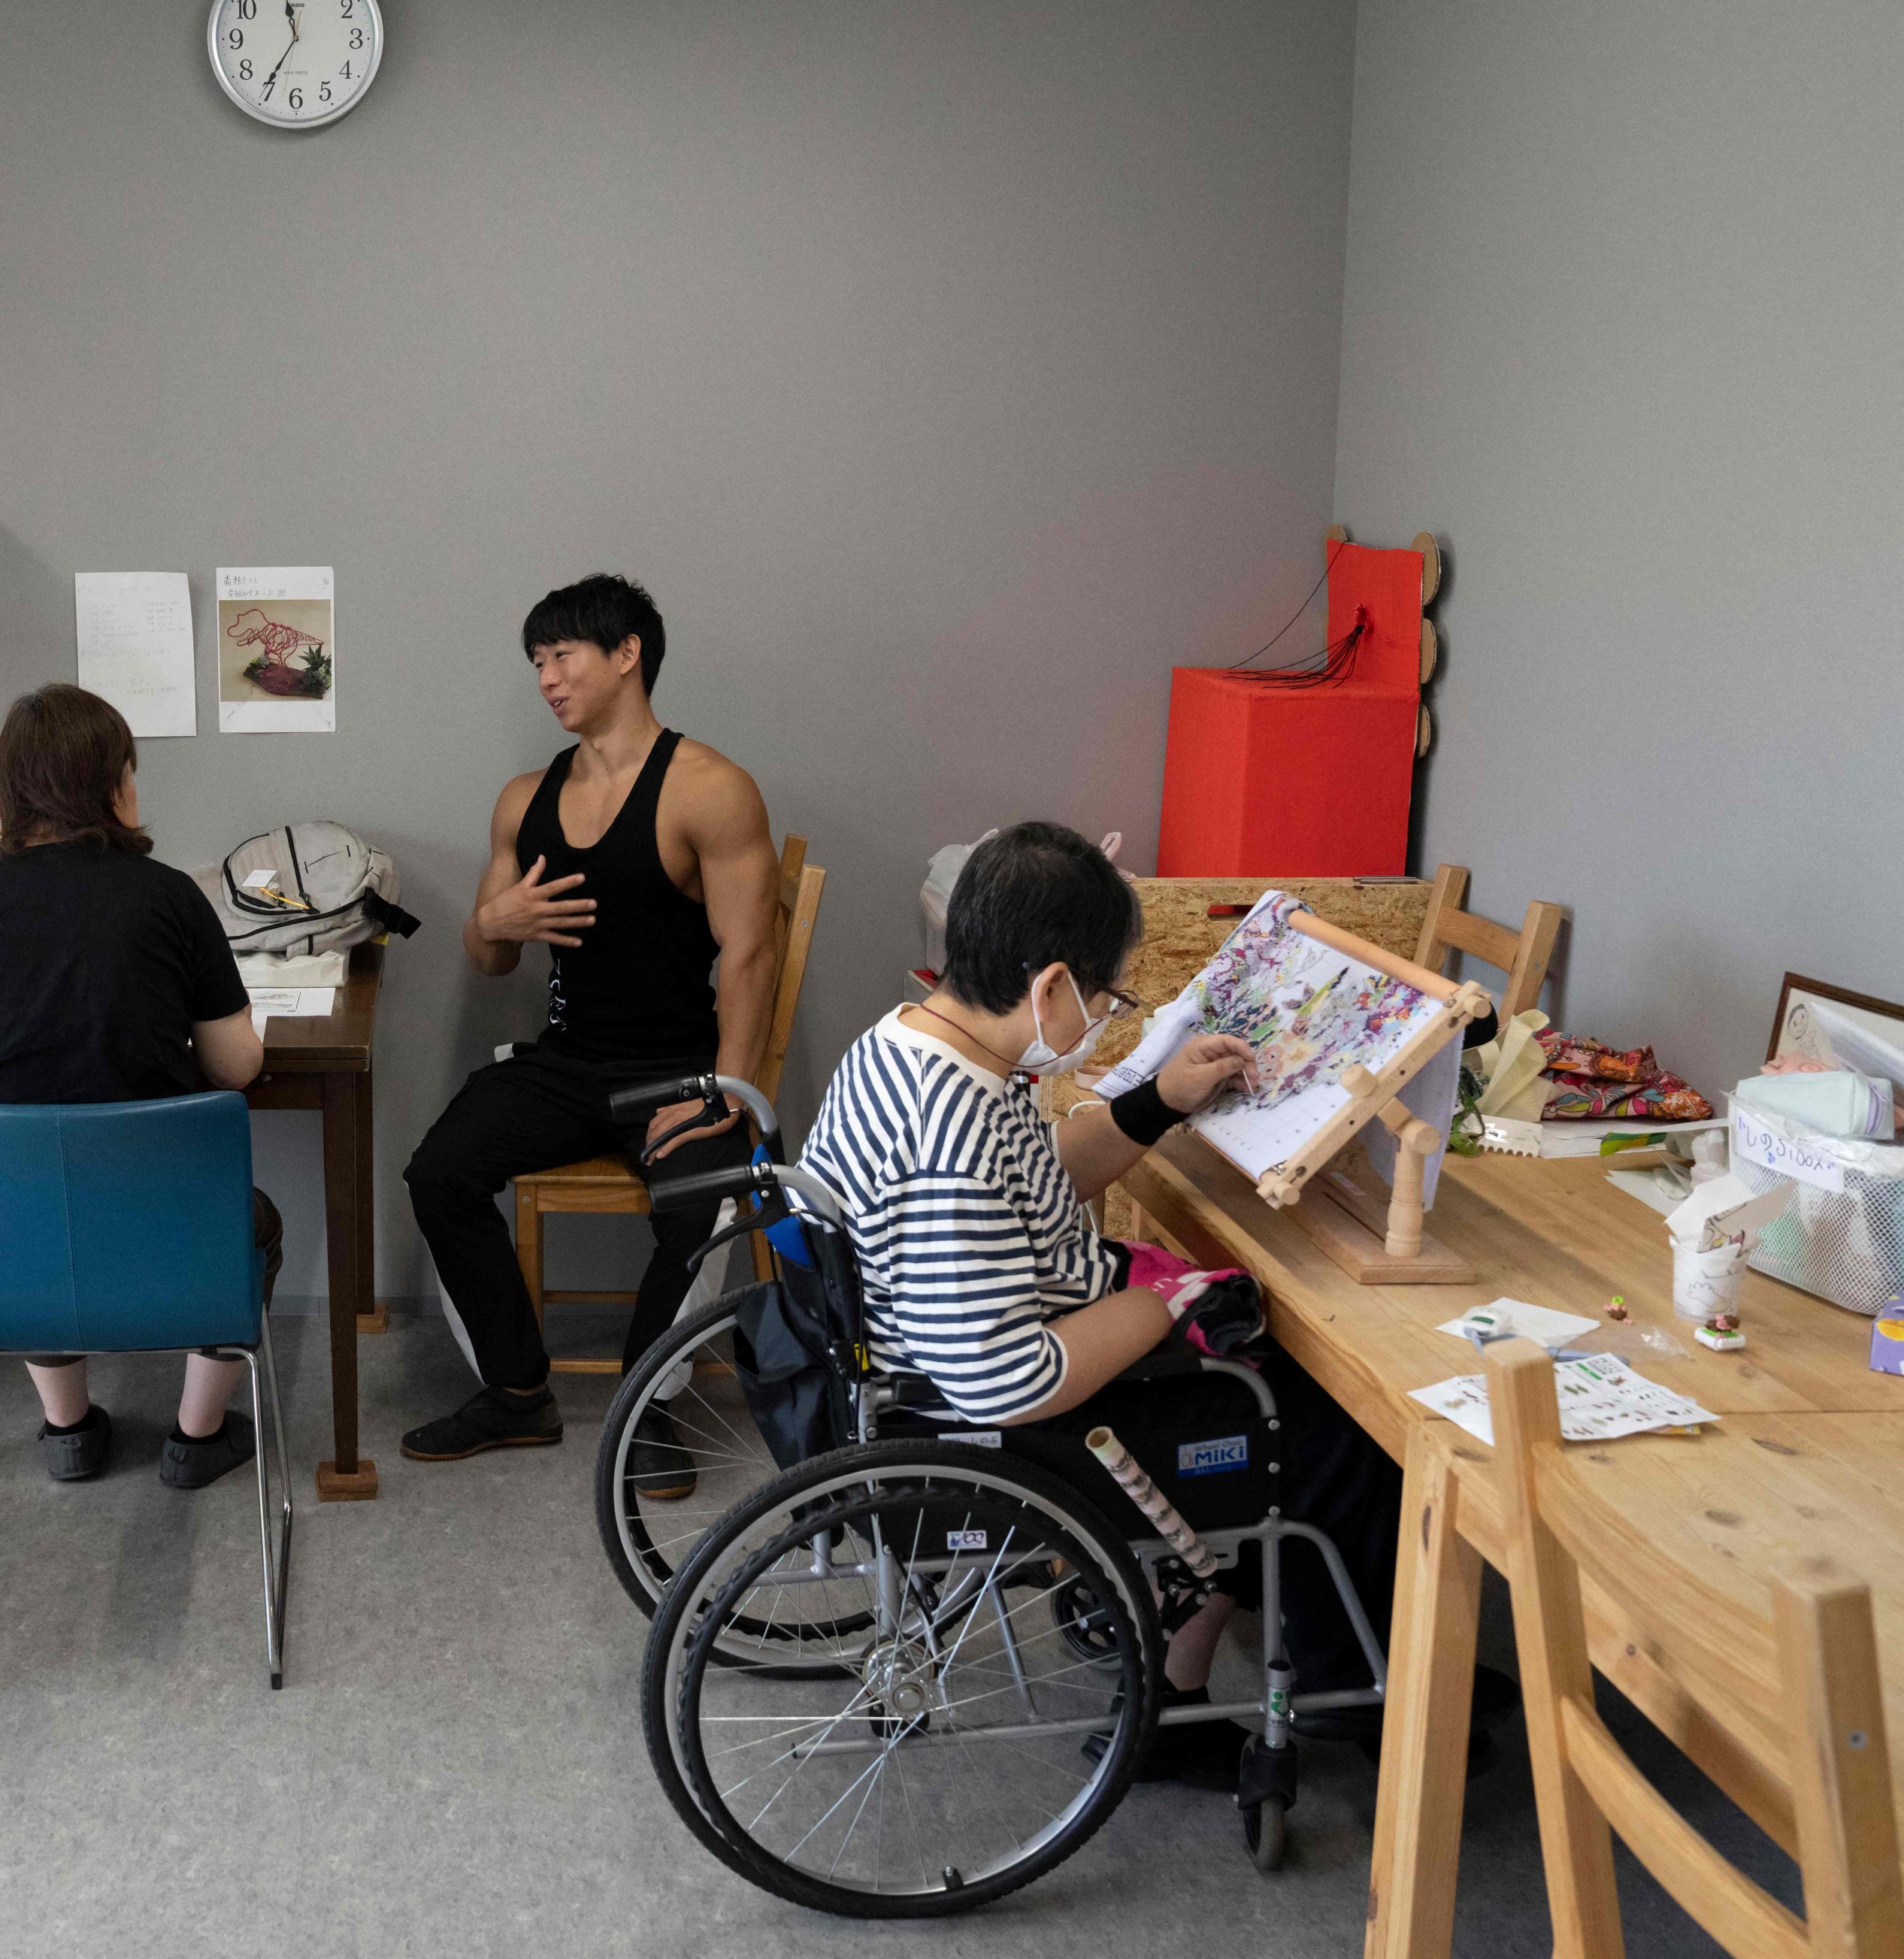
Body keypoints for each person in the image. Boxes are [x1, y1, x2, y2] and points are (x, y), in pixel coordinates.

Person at [798, 820, 1403, 1783]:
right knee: (1329, 1430)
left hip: (955, 1344)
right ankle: (1346, 1693)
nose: (1108, 1015)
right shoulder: (950, 1134)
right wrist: (1169, 1303)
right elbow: (1008, 1379)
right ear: (1048, 987)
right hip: (995, 1417)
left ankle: (1169, 1627)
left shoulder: (919, 1046)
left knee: (1260, 1359)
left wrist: (1158, 1099)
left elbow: (1036, 1180)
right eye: (1108, 995)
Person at [400, 574, 780, 1470]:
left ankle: (649, 1408)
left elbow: (751, 958)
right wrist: (487, 925)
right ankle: (517, 1393)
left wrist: (725, 1092)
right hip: (568, 1063)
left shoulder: (710, 789)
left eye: (562, 655)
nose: (547, 679)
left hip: (682, 1064)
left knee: (701, 1211)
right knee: (439, 1174)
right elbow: (491, 956)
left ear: (626, 654)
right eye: (537, 662)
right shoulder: (524, 800)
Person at [0, 683, 279, 1490]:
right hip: (164, 1220)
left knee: (37, 1213)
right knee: (249, 1223)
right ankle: (197, 1436)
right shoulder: (170, 898)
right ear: (115, 783)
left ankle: (69, 1429)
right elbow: (236, 1068)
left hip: (14, 1232)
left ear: (10, 794)